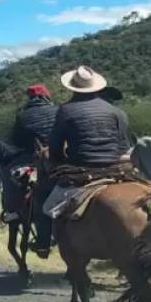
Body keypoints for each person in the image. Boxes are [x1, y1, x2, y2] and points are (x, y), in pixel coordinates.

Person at [36, 66, 132, 256]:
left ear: (73, 88)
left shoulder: (66, 110)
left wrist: (59, 163)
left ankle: (43, 243)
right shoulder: (116, 112)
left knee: (43, 200)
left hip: (81, 167)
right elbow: (124, 146)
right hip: (116, 167)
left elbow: (55, 147)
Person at [8, 84, 58, 254]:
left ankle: (12, 211)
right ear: (46, 96)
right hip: (62, 158)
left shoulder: (22, 116)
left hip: (32, 158)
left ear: (30, 98)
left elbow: (15, 141)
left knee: (11, 178)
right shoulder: (59, 110)